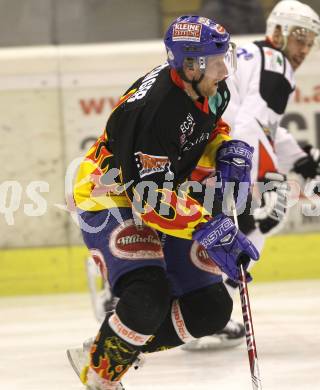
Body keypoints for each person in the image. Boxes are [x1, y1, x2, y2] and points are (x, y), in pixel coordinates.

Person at [66, 15, 260, 390]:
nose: (225, 70)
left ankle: (111, 344)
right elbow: (148, 198)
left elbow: (202, 133)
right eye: (215, 61)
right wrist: (207, 227)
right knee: (147, 296)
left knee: (210, 309)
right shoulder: (152, 112)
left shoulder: (212, 88)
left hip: (162, 192)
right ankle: (101, 374)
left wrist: (225, 149)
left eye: (226, 57)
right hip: (111, 196)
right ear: (189, 65)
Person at [183, 0, 320, 351]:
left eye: (311, 41)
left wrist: (299, 160)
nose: (304, 49)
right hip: (221, 152)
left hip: (201, 145)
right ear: (278, 32)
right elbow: (250, 123)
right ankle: (212, 305)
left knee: (200, 225)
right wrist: (245, 178)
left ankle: (191, 301)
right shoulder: (278, 64)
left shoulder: (250, 54)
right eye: (299, 38)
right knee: (264, 216)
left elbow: (259, 121)